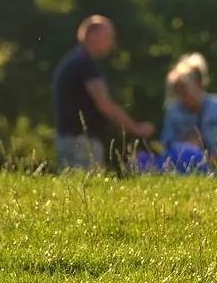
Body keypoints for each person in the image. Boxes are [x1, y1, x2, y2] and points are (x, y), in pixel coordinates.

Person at [52, 14, 155, 169]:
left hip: (67, 138)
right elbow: (104, 104)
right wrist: (136, 128)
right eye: (108, 37)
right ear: (92, 36)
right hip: (82, 142)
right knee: (87, 190)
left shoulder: (74, 61)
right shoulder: (85, 64)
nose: (111, 43)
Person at [160, 53, 217, 173]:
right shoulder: (174, 112)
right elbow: (166, 146)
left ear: (199, 85)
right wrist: (185, 146)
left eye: (185, 91)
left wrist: (215, 157)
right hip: (186, 170)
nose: (182, 97)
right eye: (178, 92)